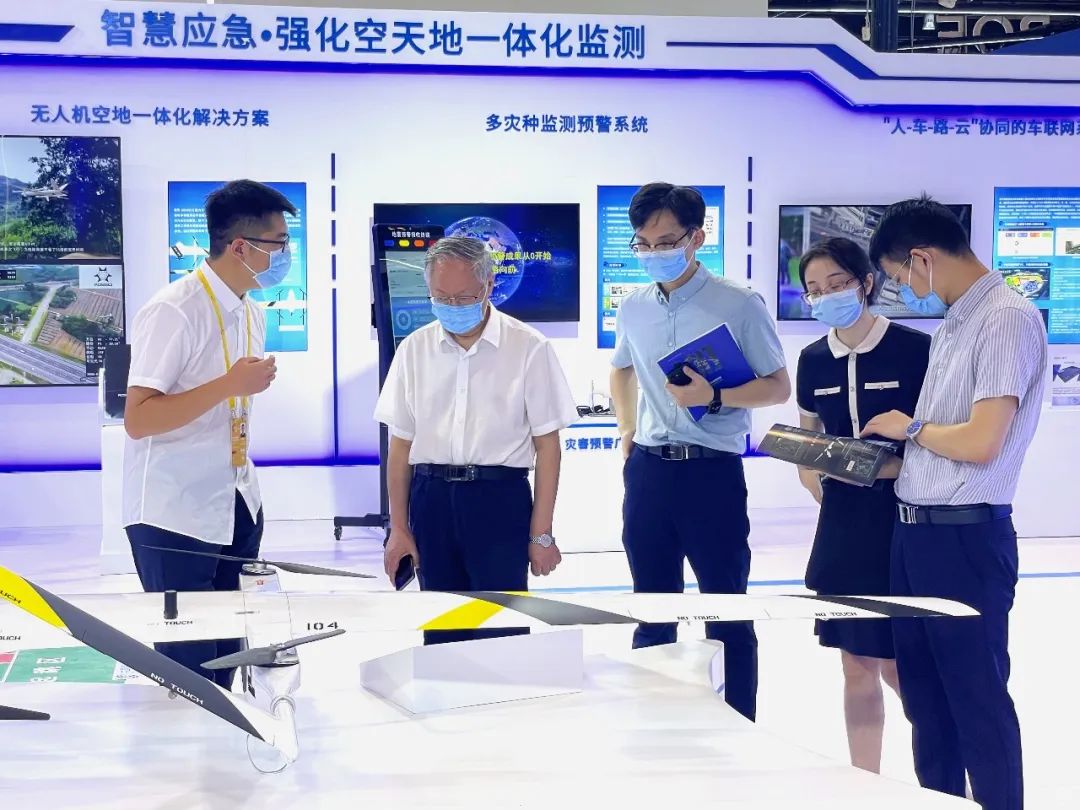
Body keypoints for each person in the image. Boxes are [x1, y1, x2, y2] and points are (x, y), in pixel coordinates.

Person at [861, 196, 1046, 810]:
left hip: (963, 539)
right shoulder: (954, 324)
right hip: (915, 534)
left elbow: (981, 442)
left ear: (922, 259)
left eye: (898, 277)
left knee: (975, 698)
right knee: (925, 697)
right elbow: (943, 444)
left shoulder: (1005, 319)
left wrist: (910, 428)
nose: (903, 290)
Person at [609, 183, 790, 722]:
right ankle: (654, 720)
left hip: (711, 474)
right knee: (651, 606)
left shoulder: (739, 303)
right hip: (648, 472)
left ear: (696, 238)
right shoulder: (634, 307)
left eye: (666, 242)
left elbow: (777, 387)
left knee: (725, 607)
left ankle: (739, 722)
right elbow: (620, 368)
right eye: (643, 244)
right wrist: (626, 430)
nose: (653, 254)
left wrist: (714, 396)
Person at [123, 179, 294, 687]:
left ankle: (229, 737)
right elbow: (139, 418)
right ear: (240, 247)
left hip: (236, 500)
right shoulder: (174, 310)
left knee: (230, 653)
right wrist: (228, 385)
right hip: (175, 513)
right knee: (191, 670)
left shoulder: (250, 310)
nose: (285, 256)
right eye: (279, 244)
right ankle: (195, 740)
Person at [376, 236, 579, 644]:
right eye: (441, 297)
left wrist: (541, 534)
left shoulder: (529, 348)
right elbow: (400, 448)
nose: (452, 306)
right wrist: (399, 527)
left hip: (498, 501)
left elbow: (548, 448)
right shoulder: (414, 350)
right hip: (431, 500)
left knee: (501, 631)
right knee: (441, 628)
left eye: (464, 297)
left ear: (488, 286)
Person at [794, 237, 931, 773]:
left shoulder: (914, 349)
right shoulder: (812, 360)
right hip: (843, 526)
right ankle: (863, 783)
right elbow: (808, 438)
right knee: (855, 664)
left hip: (903, 519)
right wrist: (818, 479)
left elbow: (938, 437)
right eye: (814, 290)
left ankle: (943, 768)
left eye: (837, 284)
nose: (825, 296)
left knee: (902, 664)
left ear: (866, 282)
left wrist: (892, 469)